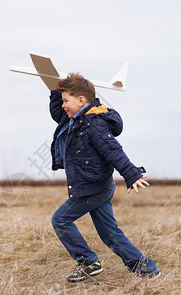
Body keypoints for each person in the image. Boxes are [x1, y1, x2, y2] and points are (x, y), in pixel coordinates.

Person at [49, 73, 161, 282]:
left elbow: (113, 150)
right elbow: (58, 113)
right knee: (110, 234)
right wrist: (55, 91)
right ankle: (147, 270)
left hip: (93, 188)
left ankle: (88, 262)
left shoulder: (94, 123)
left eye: (66, 100)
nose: (63, 105)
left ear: (81, 100)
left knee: (60, 220)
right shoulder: (76, 118)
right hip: (99, 186)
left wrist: (131, 173)